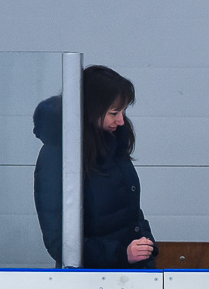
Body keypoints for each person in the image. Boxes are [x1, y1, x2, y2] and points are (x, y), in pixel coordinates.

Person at [33, 65, 158, 268]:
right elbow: (59, 241)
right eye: (114, 112)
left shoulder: (112, 144)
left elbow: (130, 210)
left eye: (123, 111)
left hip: (131, 274)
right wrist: (120, 253)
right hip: (89, 282)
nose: (121, 121)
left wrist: (145, 243)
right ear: (90, 110)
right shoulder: (58, 157)